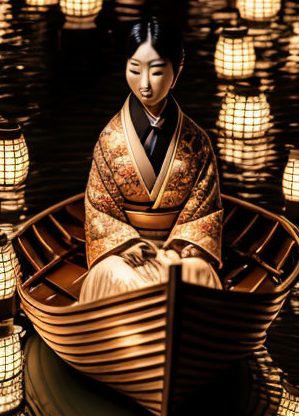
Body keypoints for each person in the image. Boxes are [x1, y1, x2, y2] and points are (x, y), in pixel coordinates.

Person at [79, 19, 222, 303]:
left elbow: (205, 210)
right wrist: (125, 244)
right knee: (117, 276)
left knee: (197, 273)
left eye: (156, 72)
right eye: (135, 70)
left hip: (177, 251)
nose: (144, 85)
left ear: (176, 71)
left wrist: (183, 245)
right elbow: (99, 209)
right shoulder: (110, 139)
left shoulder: (196, 142)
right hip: (125, 253)